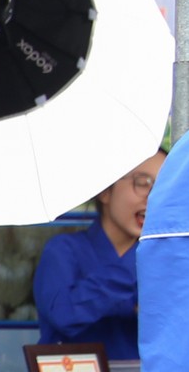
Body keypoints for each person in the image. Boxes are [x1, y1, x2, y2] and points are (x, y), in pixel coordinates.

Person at [34, 148, 162, 360]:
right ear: (105, 190)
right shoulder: (63, 251)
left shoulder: (167, 259)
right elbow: (64, 316)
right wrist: (136, 274)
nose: (154, 196)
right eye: (143, 182)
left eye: (163, 186)